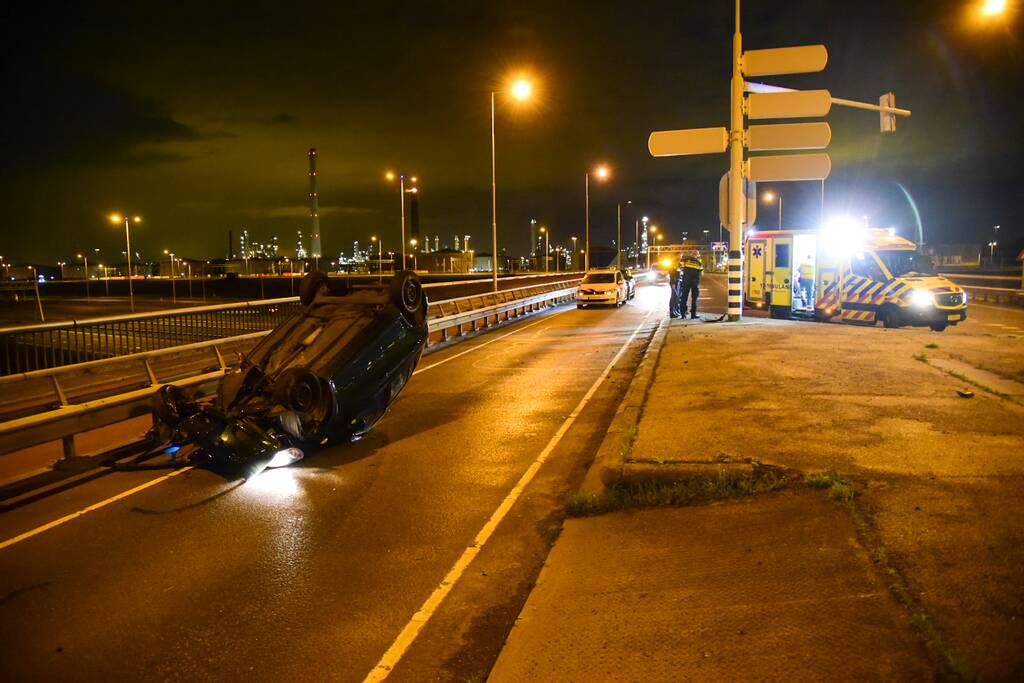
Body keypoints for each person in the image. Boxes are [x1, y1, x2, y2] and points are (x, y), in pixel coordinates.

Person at [680, 252, 703, 319]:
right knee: (694, 298)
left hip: (686, 281)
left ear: (691, 254)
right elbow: (701, 273)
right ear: (697, 255)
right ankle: (693, 314)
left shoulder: (685, 260)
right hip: (695, 282)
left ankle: (683, 314)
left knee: (684, 297)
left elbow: (680, 268)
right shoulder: (698, 262)